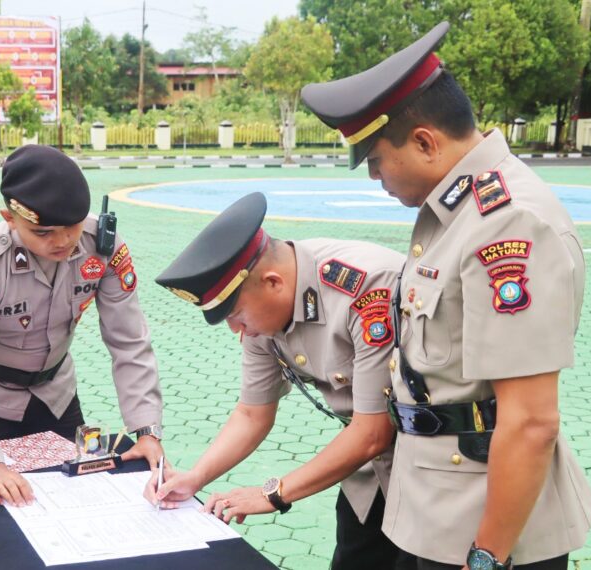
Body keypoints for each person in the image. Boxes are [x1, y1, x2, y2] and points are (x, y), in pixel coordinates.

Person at [301, 21, 591, 569]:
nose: (375, 177)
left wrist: (487, 556)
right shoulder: (456, 214)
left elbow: (532, 422)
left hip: (484, 528)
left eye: (375, 160)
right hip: (439, 509)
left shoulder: (507, 223)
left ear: (425, 142)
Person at [150, 192, 407, 569]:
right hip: (369, 473)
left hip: (429, 467)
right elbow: (252, 413)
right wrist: (195, 477)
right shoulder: (262, 321)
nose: (236, 329)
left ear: (273, 282)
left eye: (236, 315)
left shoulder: (365, 289)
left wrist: (273, 493)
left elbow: (372, 433)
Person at [0, 144, 165, 505]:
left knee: (79, 503)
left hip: (56, 398)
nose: (62, 242)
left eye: (71, 227)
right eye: (43, 232)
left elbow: (129, 342)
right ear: (10, 218)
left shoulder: (103, 247)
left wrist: (147, 431)